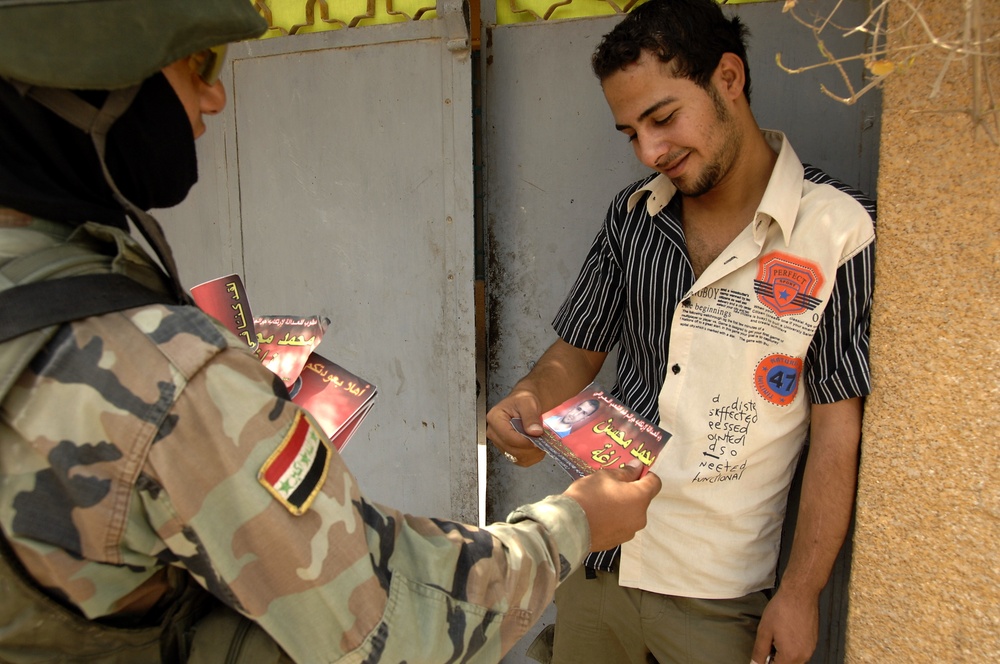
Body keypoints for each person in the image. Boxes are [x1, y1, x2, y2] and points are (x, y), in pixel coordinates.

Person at [0, 1, 662, 662]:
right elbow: (392, 625)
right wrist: (575, 524)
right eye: (198, 61)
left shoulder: (62, 273)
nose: (216, 94)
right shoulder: (168, 372)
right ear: (95, 77)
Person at [485, 1, 876, 663]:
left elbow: (838, 428)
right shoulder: (635, 215)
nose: (650, 150)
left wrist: (801, 591)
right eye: (630, 132)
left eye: (663, 118)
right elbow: (577, 349)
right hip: (597, 561)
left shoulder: (834, 231)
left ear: (729, 79)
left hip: (718, 595)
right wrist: (527, 400)